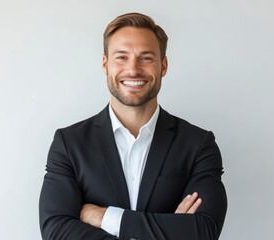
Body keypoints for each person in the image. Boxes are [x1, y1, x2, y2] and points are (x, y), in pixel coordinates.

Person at [39, 12, 227, 240]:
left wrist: (106, 217)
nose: (133, 69)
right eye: (121, 57)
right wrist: (170, 229)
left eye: (146, 57)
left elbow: (203, 231)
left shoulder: (198, 144)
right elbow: (56, 231)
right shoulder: (69, 144)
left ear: (163, 66)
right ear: (105, 64)